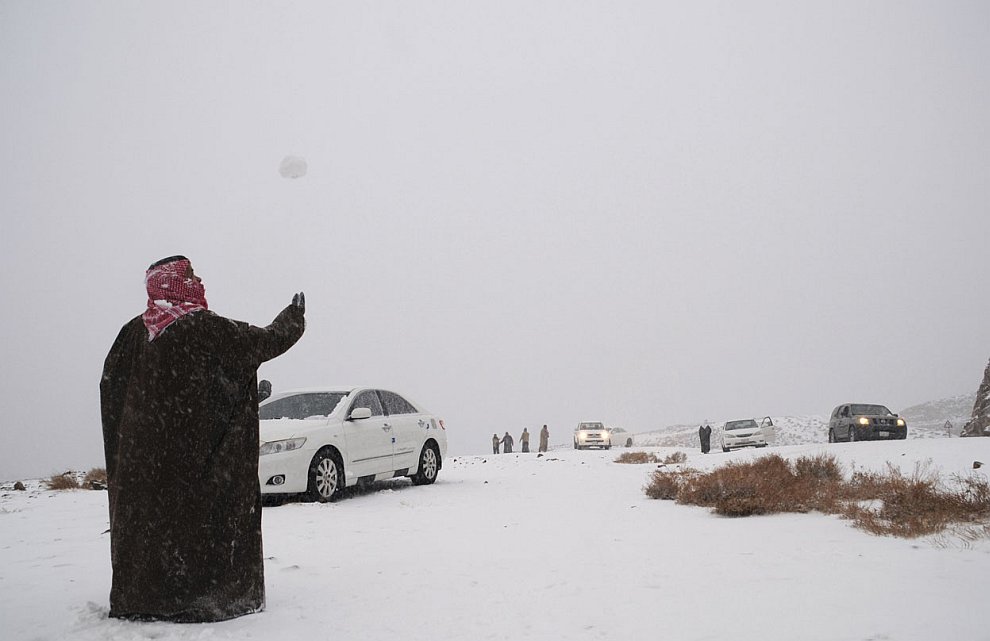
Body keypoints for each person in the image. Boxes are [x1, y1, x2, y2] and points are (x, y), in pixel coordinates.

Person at [100, 255, 306, 623]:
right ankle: (198, 595)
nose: (200, 281)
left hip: (145, 470)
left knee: (155, 531)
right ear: (173, 283)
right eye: (191, 275)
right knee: (198, 527)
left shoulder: (132, 335)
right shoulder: (202, 327)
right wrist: (291, 320)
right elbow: (261, 342)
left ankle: (147, 596)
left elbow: (112, 390)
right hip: (194, 463)